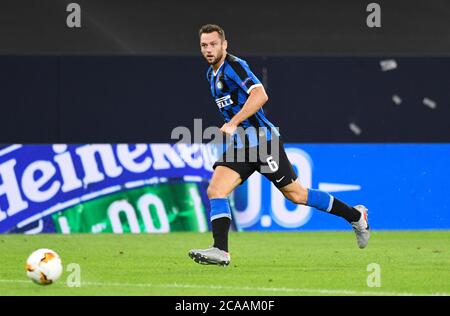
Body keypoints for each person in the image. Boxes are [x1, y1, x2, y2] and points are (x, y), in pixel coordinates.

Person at [188, 24, 369, 266]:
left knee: (297, 194)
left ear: (224, 44)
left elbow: (260, 95)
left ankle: (355, 215)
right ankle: (221, 250)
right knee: (216, 190)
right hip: (243, 144)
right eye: (204, 45)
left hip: (263, 141)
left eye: (213, 44)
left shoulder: (234, 66)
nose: (209, 49)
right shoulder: (211, 75)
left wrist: (233, 122)